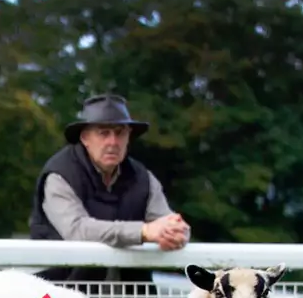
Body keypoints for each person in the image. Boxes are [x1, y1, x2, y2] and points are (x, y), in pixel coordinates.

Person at [28, 94, 189, 286]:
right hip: (50, 295)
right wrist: (144, 231)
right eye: (103, 133)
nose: (112, 142)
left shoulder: (143, 178)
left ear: (129, 137)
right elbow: (78, 230)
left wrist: (177, 232)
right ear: (85, 138)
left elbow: (167, 222)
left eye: (120, 133)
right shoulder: (59, 175)